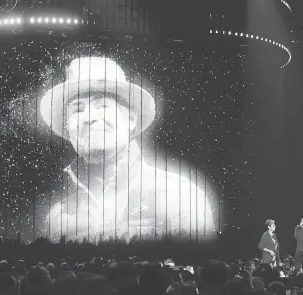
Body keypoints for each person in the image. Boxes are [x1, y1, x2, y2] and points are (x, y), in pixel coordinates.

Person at [39, 56, 216, 243]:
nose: (89, 117)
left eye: (103, 105)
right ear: (68, 128)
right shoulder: (57, 218)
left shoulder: (178, 194)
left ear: (131, 119)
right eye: (77, 110)